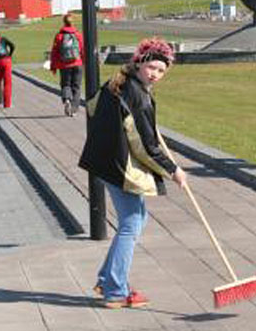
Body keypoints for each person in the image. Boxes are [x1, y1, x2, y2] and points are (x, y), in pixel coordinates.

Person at [79, 38, 188, 309]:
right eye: (152, 67)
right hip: (115, 164)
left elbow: (92, 107)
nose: (155, 74)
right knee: (131, 223)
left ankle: (107, 279)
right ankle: (115, 290)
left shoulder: (121, 83)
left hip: (104, 159)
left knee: (137, 219)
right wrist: (174, 170)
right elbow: (146, 147)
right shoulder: (136, 94)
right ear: (139, 62)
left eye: (161, 71)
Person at [50, 14, 84, 117]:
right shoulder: (78, 35)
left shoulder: (59, 36)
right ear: (73, 22)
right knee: (76, 87)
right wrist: (84, 62)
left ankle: (67, 100)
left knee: (66, 84)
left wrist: (53, 66)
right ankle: (73, 109)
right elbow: (82, 50)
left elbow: (54, 52)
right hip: (77, 64)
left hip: (64, 65)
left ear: (64, 22)